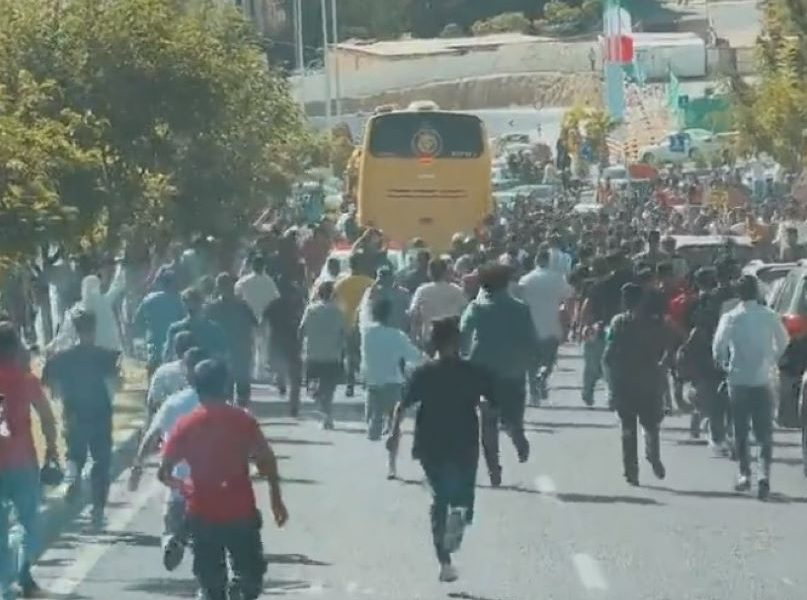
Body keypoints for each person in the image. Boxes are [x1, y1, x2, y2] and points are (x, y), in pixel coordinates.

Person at [158, 359, 288, 600]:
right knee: (249, 579)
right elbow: (267, 461)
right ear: (226, 386)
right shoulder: (243, 420)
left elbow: (163, 473)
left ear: (196, 388)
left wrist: (186, 488)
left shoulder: (185, 425)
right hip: (241, 513)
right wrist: (276, 500)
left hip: (202, 515)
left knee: (211, 585)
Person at [387, 316, 497, 583]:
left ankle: (445, 557)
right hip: (463, 442)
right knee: (458, 499)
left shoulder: (423, 372)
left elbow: (402, 405)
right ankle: (447, 552)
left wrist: (394, 432)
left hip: (432, 443)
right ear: (457, 342)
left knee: (443, 499)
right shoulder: (471, 371)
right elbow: (488, 403)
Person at [130, 347, 208, 571]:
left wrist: (137, 467)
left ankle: (172, 539)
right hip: (211, 489)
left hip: (178, 487)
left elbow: (151, 437)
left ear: (186, 371)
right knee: (209, 544)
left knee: (171, 526)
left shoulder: (174, 403)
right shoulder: (220, 405)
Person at [460, 263, 538, 486]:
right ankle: (518, 438)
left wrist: (465, 356)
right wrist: (530, 361)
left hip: (482, 371)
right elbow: (530, 341)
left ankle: (494, 468)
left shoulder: (476, 308)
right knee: (512, 417)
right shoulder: (521, 309)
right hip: (513, 370)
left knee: (488, 422)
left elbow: (464, 335)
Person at [712, 275, 788, 500]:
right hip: (763, 378)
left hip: (737, 379)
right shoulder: (769, 315)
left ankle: (744, 474)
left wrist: (724, 363)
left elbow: (718, 346)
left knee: (741, 430)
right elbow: (783, 340)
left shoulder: (731, 317)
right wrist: (771, 358)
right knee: (764, 433)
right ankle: (764, 475)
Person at [42, 310, 120, 527]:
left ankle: (72, 478)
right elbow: (114, 385)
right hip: (100, 414)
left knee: (75, 453)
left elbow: (50, 385)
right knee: (101, 461)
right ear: (93, 330)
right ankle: (97, 508)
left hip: (74, 413)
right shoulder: (105, 356)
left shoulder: (62, 358)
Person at [0, 322, 58, 599]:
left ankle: (7, 583)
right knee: (28, 524)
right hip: (22, 462)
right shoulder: (26, 379)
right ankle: (19, 575)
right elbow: (46, 417)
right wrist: (53, 450)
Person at [603, 284, 669, 486]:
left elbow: (608, 355)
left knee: (628, 427)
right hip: (650, 380)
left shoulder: (618, 322)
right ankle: (653, 455)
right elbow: (665, 349)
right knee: (651, 425)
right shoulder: (655, 322)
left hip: (625, 382)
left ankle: (631, 471)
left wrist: (610, 384)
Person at [361, 299, 423, 448]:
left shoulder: (366, 333)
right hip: (393, 382)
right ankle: (391, 437)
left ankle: (376, 428)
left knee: (373, 418)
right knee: (394, 418)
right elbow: (414, 357)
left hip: (372, 381)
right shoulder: (397, 335)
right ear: (389, 315)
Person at [518, 246, 573, 405]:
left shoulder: (526, 279)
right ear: (548, 261)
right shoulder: (558, 279)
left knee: (531, 361)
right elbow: (568, 296)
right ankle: (543, 374)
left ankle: (534, 392)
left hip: (531, 325)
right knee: (548, 358)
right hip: (552, 324)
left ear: (536, 261)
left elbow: (520, 301)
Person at [206, 273, 258, 407]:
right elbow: (255, 323)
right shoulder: (241, 305)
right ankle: (239, 413)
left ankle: (233, 413)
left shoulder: (212, 307)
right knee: (238, 384)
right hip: (236, 350)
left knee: (230, 385)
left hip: (227, 351)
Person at [299, 281, 345, 430]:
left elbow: (301, 330)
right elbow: (344, 333)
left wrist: (302, 345)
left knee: (311, 387)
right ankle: (327, 414)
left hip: (313, 355)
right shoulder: (338, 311)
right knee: (329, 388)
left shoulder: (311, 310)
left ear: (318, 294)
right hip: (332, 355)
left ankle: (324, 410)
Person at [48, 267, 127, 354]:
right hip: (107, 351)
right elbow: (117, 286)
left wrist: (53, 346)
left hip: (88, 353)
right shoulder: (105, 301)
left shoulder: (76, 310)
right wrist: (120, 268)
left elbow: (65, 335)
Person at [133, 269, 186, 380]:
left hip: (154, 348)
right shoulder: (179, 301)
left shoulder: (148, 299)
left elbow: (137, 321)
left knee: (153, 381)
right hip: (173, 351)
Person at [333, 254, 374, 396]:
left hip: (347, 324)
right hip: (365, 325)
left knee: (350, 355)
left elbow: (334, 304)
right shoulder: (370, 283)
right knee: (366, 355)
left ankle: (350, 384)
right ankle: (366, 382)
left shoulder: (341, 284)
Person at [235, 256, 279, 381]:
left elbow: (236, 295)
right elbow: (275, 300)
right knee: (263, 346)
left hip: (247, 318)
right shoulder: (269, 282)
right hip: (264, 317)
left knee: (251, 346)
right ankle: (260, 373)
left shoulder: (244, 281)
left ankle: (251, 372)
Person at [266, 275, 306, 414]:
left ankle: (280, 381)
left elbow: (263, 320)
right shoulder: (298, 305)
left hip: (277, 341)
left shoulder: (274, 304)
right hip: (293, 342)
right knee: (295, 377)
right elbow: (303, 324)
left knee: (280, 366)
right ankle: (293, 405)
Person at [409, 258, 467, 351]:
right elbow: (465, 311)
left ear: (429, 272)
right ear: (445, 272)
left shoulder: (422, 291)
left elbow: (413, 314)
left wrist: (414, 337)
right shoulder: (456, 290)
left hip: (430, 337)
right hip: (451, 338)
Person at [163, 288, 227, 362]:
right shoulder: (175, 329)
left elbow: (223, 354)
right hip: (181, 370)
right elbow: (168, 356)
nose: (191, 306)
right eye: (187, 302)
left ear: (201, 303)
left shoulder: (214, 329)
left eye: (195, 302)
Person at [147, 330, 195, 416]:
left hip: (168, 422)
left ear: (175, 349)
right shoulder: (206, 371)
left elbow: (153, 402)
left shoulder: (162, 371)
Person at [358, 266, 410, 333]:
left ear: (393, 276)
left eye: (388, 275)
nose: (386, 278)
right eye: (383, 275)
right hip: (381, 332)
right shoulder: (374, 293)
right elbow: (366, 312)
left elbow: (410, 311)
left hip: (398, 331)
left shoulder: (403, 293)